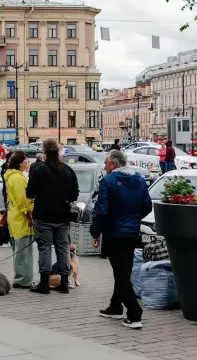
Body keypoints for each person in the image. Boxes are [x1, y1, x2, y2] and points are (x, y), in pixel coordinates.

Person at [90, 150, 152, 330]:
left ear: (114, 164)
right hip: (132, 233)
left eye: (106, 163)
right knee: (123, 271)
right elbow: (147, 206)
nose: (105, 167)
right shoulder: (139, 180)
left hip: (114, 233)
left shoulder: (108, 181)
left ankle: (134, 313)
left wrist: (95, 232)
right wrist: (133, 219)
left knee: (121, 274)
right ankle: (115, 306)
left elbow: (101, 210)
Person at [26, 138, 79, 294]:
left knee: (45, 248)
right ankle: (64, 282)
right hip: (63, 216)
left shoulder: (38, 170)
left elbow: (29, 193)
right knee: (63, 248)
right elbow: (75, 194)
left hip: (43, 216)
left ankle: (44, 283)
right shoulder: (68, 170)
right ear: (58, 150)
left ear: (44, 151)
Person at [5, 150, 34, 289]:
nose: (28, 162)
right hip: (21, 218)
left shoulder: (12, 176)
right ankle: (23, 280)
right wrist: (30, 213)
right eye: (26, 160)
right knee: (23, 252)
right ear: (20, 163)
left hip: (14, 217)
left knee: (19, 250)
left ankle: (21, 278)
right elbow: (23, 200)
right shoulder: (18, 178)